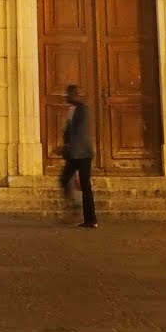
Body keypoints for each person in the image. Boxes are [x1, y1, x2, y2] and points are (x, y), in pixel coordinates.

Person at [59, 82, 97, 227]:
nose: (66, 97)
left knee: (85, 186)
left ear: (74, 95)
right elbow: (68, 131)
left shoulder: (82, 109)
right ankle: (75, 208)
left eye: (68, 94)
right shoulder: (72, 109)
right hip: (75, 154)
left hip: (82, 153)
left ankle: (90, 219)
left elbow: (78, 132)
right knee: (65, 179)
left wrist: (67, 147)